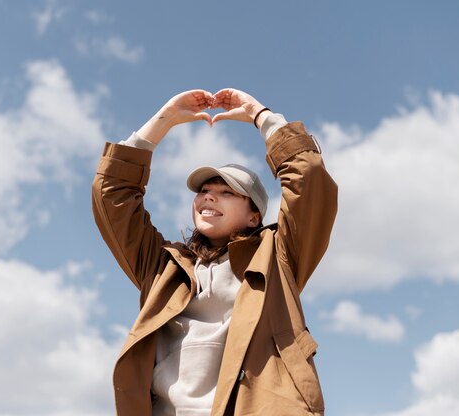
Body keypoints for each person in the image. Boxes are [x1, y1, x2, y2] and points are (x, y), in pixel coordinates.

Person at [92, 88, 338, 415]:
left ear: (255, 216)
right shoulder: (161, 266)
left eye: (226, 192)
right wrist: (162, 121)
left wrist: (260, 115)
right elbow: (112, 196)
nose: (209, 197)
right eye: (204, 191)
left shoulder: (279, 256)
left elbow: (309, 179)